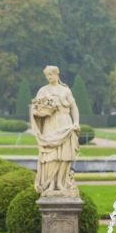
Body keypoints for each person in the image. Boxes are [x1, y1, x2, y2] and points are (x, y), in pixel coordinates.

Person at [31, 65, 80, 197]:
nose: (49, 77)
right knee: (50, 156)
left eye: (51, 75)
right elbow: (35, 110)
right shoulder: (43, 91)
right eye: (47, 75)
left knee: (65, 155)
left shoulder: (65, 90)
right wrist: (40, 112)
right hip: (50, 124)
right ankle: (50, 184)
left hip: (65, 123)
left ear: (57, 74)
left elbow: (74, 107)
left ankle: (61, 183)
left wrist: (76, 122)